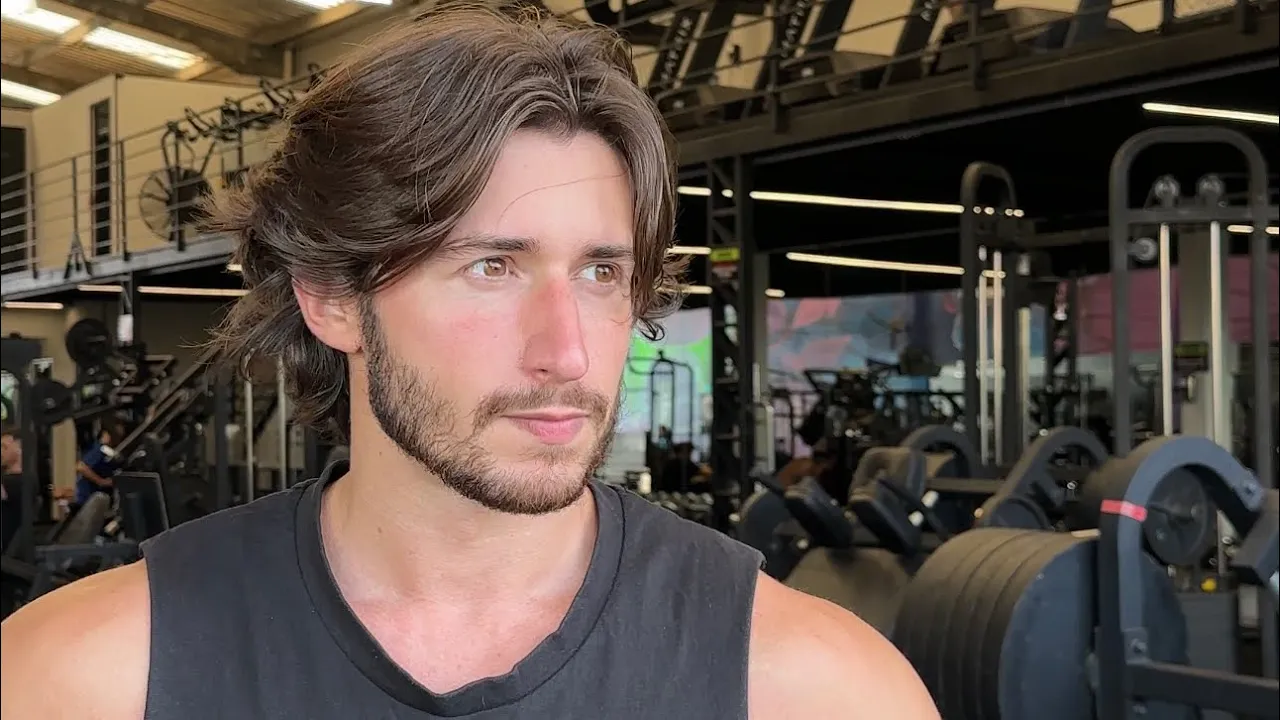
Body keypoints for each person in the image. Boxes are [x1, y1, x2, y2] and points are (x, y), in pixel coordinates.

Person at [0, 5, 939, 719]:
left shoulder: (817, 689)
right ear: (332, 297)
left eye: (601, 273)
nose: (567, 351)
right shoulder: (87, 677)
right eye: (492, 267)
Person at [74, 423, 121, 510]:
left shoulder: (109, 454)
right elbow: (81, 466)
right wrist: (101, 481)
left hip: (97, 500)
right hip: (87, 499)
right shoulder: (99, 449)